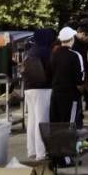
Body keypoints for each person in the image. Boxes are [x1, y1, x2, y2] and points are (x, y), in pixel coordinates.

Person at [22, 28, 55, 160]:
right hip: (43, 89)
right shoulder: (46, 52)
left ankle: (32, 150)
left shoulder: (30, 51)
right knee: (42, 121)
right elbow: (51, 70)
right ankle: (41, 153)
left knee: (32, 120)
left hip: (29, 88)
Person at [49, 26, 86, 127]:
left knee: (56, 126)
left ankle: (58, 143)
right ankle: (69, 143)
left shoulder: (53, 54)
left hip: (55, 94)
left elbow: (50, 73)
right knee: (70, 126)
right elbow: (80, 80)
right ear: (72, 39)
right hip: (71, 96)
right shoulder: (75, 55)